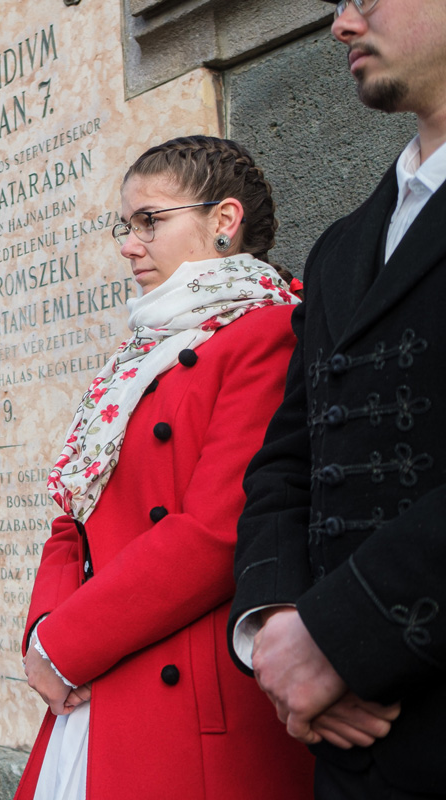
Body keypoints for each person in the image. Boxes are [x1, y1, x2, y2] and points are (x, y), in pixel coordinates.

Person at [15, 136, 312, 800]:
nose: (129, 244)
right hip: (92, 678)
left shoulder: (268, 333)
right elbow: (75, 517)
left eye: (151, 220)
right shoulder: (137, 357)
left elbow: (215, 531)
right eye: (127, 224)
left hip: (179, 686)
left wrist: (70, 642)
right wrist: (43, 631)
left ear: (224, 222)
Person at [229, 1, 446, 797]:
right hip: (350, 749)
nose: (342, 25)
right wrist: (276, 628)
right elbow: (288, 462)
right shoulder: (341, 248)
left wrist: (340, 636)